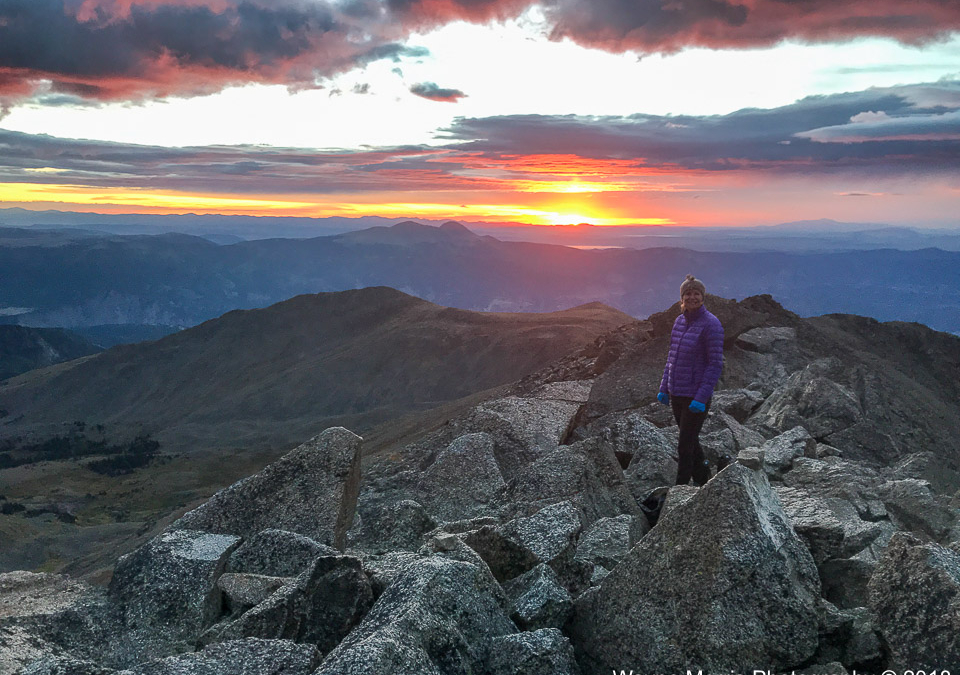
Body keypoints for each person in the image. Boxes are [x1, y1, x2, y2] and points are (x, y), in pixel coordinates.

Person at [657, 274, 724, 486]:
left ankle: (680, 490)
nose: (692, 297)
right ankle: (704, 482)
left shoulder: (711, 324)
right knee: (691, 442)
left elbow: (715, 364)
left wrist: (701, 397)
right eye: (688, 293)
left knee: (684, 445)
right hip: (677, 392)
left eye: (697, 293)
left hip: (695, 396)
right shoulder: (679, 321)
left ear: (703, 297)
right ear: (682, 298)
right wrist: (664, 388)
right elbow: (672, 357)